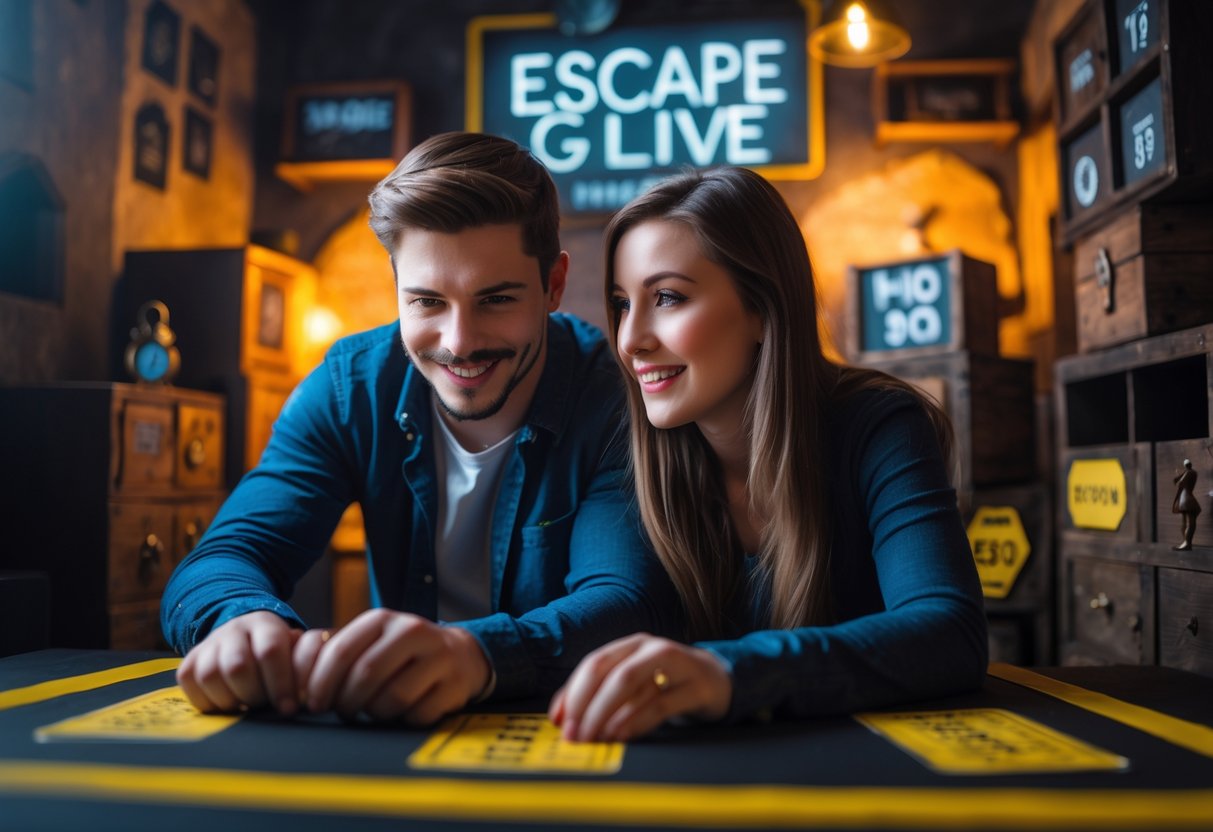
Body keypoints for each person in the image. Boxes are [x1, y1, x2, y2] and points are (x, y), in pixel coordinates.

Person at [163, 132, 677, 724]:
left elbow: (627, 602)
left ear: (553, 286)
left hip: (561, 729)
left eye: (496, 299)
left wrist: (475, 654)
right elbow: (221, 558)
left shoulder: (613, 397)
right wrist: (242, 623)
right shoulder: (348, 388)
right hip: (392, 732)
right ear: (396, 289)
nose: (459, 343)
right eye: (428, 302)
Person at [550, 167, 988, 742]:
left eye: (667, 298)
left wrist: (726, 673)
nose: (631, 340)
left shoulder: (879, 426)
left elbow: (948, 631)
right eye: (621, 305)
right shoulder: (630, 450)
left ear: (762, 308)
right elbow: (610, 603)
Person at [1171, 458, 1201, 551]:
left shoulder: (1189, 473)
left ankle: (1187, 543)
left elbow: (1179, 483)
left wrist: (1180, 475)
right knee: (1186, 521)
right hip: (1186, 498)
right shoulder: (1191, 472)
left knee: (1189, 521)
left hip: (1186, 498)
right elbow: (1176, 481)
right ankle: (1186, 542)